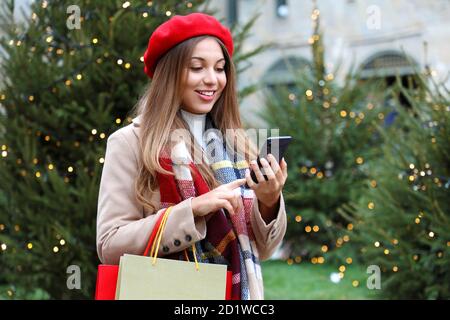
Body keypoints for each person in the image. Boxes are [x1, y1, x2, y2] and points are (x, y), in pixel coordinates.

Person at [96, 12, 288, 300]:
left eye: (220, 68)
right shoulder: (130, 142)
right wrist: (192, 210)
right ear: (170, 74)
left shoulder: (238, 145)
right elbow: (110, 246)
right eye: (197, 68)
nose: (212, 80)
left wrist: (269, 199)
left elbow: (263, 249)